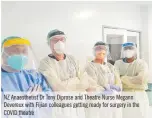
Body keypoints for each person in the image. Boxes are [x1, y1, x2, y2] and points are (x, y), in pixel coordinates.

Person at [38, 29, 89, 118]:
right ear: (49, 43)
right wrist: (76, 80)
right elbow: (58, 88)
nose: (59, 42)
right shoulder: (45, 63)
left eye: (62, 39)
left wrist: (68, 86)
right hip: (62, 108)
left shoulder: (73, 59)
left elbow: (85, 82)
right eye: (55, 40)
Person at [1, 36, 52, 118]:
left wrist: (41, 98)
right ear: (3, 54)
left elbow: (51, 98)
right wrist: (23, 102)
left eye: (24, 51)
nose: (21, 56)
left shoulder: (34, 76)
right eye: (16, 51)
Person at [84, 41, 122, 118]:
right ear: (94, 51)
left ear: (107, 51)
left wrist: (115, 88)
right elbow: (91, 85)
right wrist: (105, 89)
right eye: (98, 49)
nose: (101, 51)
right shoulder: (89, 67)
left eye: (103, 49)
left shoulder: (111, 66)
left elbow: (118, 83)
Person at [114, 42, 149, 118]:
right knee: (126, 115)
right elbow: (116, 81)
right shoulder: (118, 63)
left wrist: (122, 77)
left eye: (131, 48)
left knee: (141, 115)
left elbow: (141, 80)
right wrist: (133, 79)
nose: (128, 50)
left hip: (140, 96)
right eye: (126, 49)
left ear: (135, 50)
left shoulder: (141, 63)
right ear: (122, 51)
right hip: (125, 96)